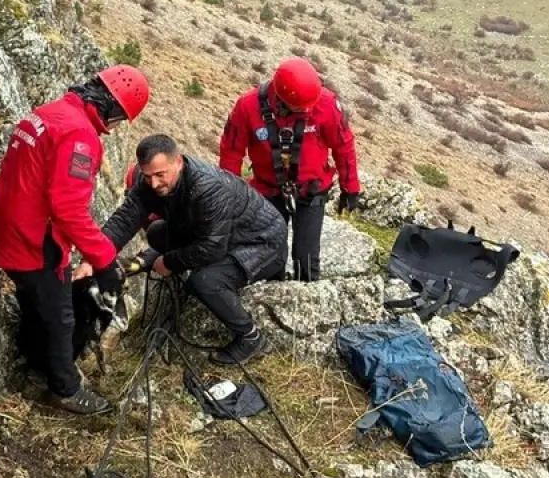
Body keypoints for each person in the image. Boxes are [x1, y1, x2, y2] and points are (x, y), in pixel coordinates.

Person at [0, 65, 150, 415]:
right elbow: (68, 208)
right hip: (33, 240)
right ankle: (65, 389)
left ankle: (35, 360)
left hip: (7, 226)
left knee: (36, 301)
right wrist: (103, 260)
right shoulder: (79, 136)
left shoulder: (50, 113)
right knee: (61, 317)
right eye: (120, 119)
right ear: (112, 107)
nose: (116, 127)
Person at [98, 134, 287, 365]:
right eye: (148, 176)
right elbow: (126, 218)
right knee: (157, 232)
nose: (154, 184)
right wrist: (95, 257)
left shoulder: (207, 188)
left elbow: (213, 248)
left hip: (261, 241)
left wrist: (170, 262)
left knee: (205, 281)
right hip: (219, 234)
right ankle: (151, 258)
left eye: (160, 175)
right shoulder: (151, 182)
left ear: (178, 162)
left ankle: (252, 338)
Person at [218, 57, 360, 283]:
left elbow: (343, 147)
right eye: (301, 107)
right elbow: (231, 152)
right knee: (270, 254)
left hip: (311, 191)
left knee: (306, 258)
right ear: (281, 97)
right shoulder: (248, 107)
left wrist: (350, 188)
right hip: (268, 190)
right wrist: (231, 196)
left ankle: (308, 294)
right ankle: (273, 291)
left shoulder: (325, 105)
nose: (307, 109)